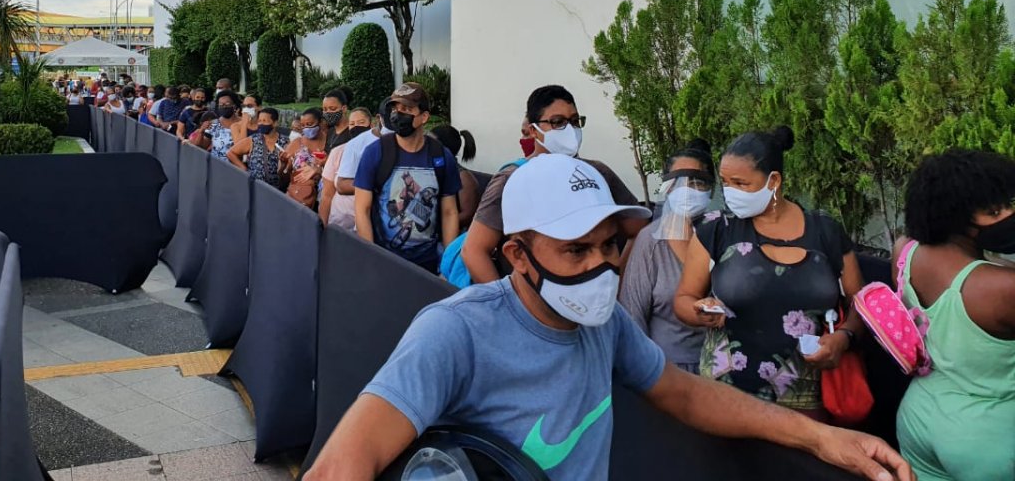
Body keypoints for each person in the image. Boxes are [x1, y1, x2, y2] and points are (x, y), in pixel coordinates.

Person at [306, 154, 912, 481]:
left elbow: (686, 395)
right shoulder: (455, 331)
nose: (601, 267)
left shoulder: (605, 325)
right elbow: (340, 467)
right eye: (575, 250)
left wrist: (824, 438)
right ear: (517, 255)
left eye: (609, 245)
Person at [674, 126, 866, 417]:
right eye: (725, 183)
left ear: (774, 181)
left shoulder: (825, 231)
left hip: (806, 401)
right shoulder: (716, 229)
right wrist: (698, 309)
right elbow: (684, 298)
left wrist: (844, 337)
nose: (730, 193)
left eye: (741, 183)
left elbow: (861, 304)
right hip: (726, 398)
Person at [891, 149, 1015, 481]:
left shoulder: (905, 250)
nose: (1009, 213)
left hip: (918, 417)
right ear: (956, 217)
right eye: (994, 210)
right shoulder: (1002, 288)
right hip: (985, 436)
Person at [461, 85, 644, 284]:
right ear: (533, 130)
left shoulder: (597, 173)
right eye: (557, 122)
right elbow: (474, 250)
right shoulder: (513, 179)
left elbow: (640, 230)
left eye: (575, 121)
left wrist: (619, 283)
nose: (570, 129)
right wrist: (509, 307)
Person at [618, 140, 715, 373]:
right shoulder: (650, 240)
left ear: (710, 188)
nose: (687, 190)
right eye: (678, 182)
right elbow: (633, 315)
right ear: (667, 188)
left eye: (697, 182)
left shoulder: (722, 233)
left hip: (722, 368)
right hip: (666, 370)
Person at [354, 83, 461, 274]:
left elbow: (449, 212)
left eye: (407, 109)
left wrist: (448, 266)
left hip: (428, 265)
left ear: (424, 117)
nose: (398, 114)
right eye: (395, 109)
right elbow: (362, 209)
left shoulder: (442, 157)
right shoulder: (375, 153)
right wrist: (370, 259)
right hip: (384, 261)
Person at [319, 108, 373, 229]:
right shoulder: (338, 152)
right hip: (340, 222)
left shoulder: (381, 152)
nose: (356, 127)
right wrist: (322, 227)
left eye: (361, 123)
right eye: (352, 124)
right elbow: (327, 195)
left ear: (371, 125)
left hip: (370, 225)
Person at [430, 125, 481, 230]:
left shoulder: (464, 178)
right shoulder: (429, 170)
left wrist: (435, 227)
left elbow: (467, 215)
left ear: (444, 148)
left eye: (431, 143)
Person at [227, 107, 290, 188]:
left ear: (275, 123)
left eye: (264, 121)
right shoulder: (253, 140)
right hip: (255, 188)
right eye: (259, 121)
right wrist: (244, 169)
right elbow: (231, 153)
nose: (261, 124)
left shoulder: (285, 142)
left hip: (277, 190)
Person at [280, 107, 327, 208]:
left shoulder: (330, 143)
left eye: (309, 124)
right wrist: (283, 165)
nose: (306, 128)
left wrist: (319, 169)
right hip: (298, 197)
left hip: (323, 199)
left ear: (321, 122)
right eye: (303, 125)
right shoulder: (297, 143)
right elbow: (283, 176)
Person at [206, 91, 245, 160]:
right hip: (216, 165)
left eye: (227, 103)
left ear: (234, 105)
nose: (224, 106)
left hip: (237, 167)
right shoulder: (214, 124)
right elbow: (204, 143)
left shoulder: (243, 123)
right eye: (221, 104)